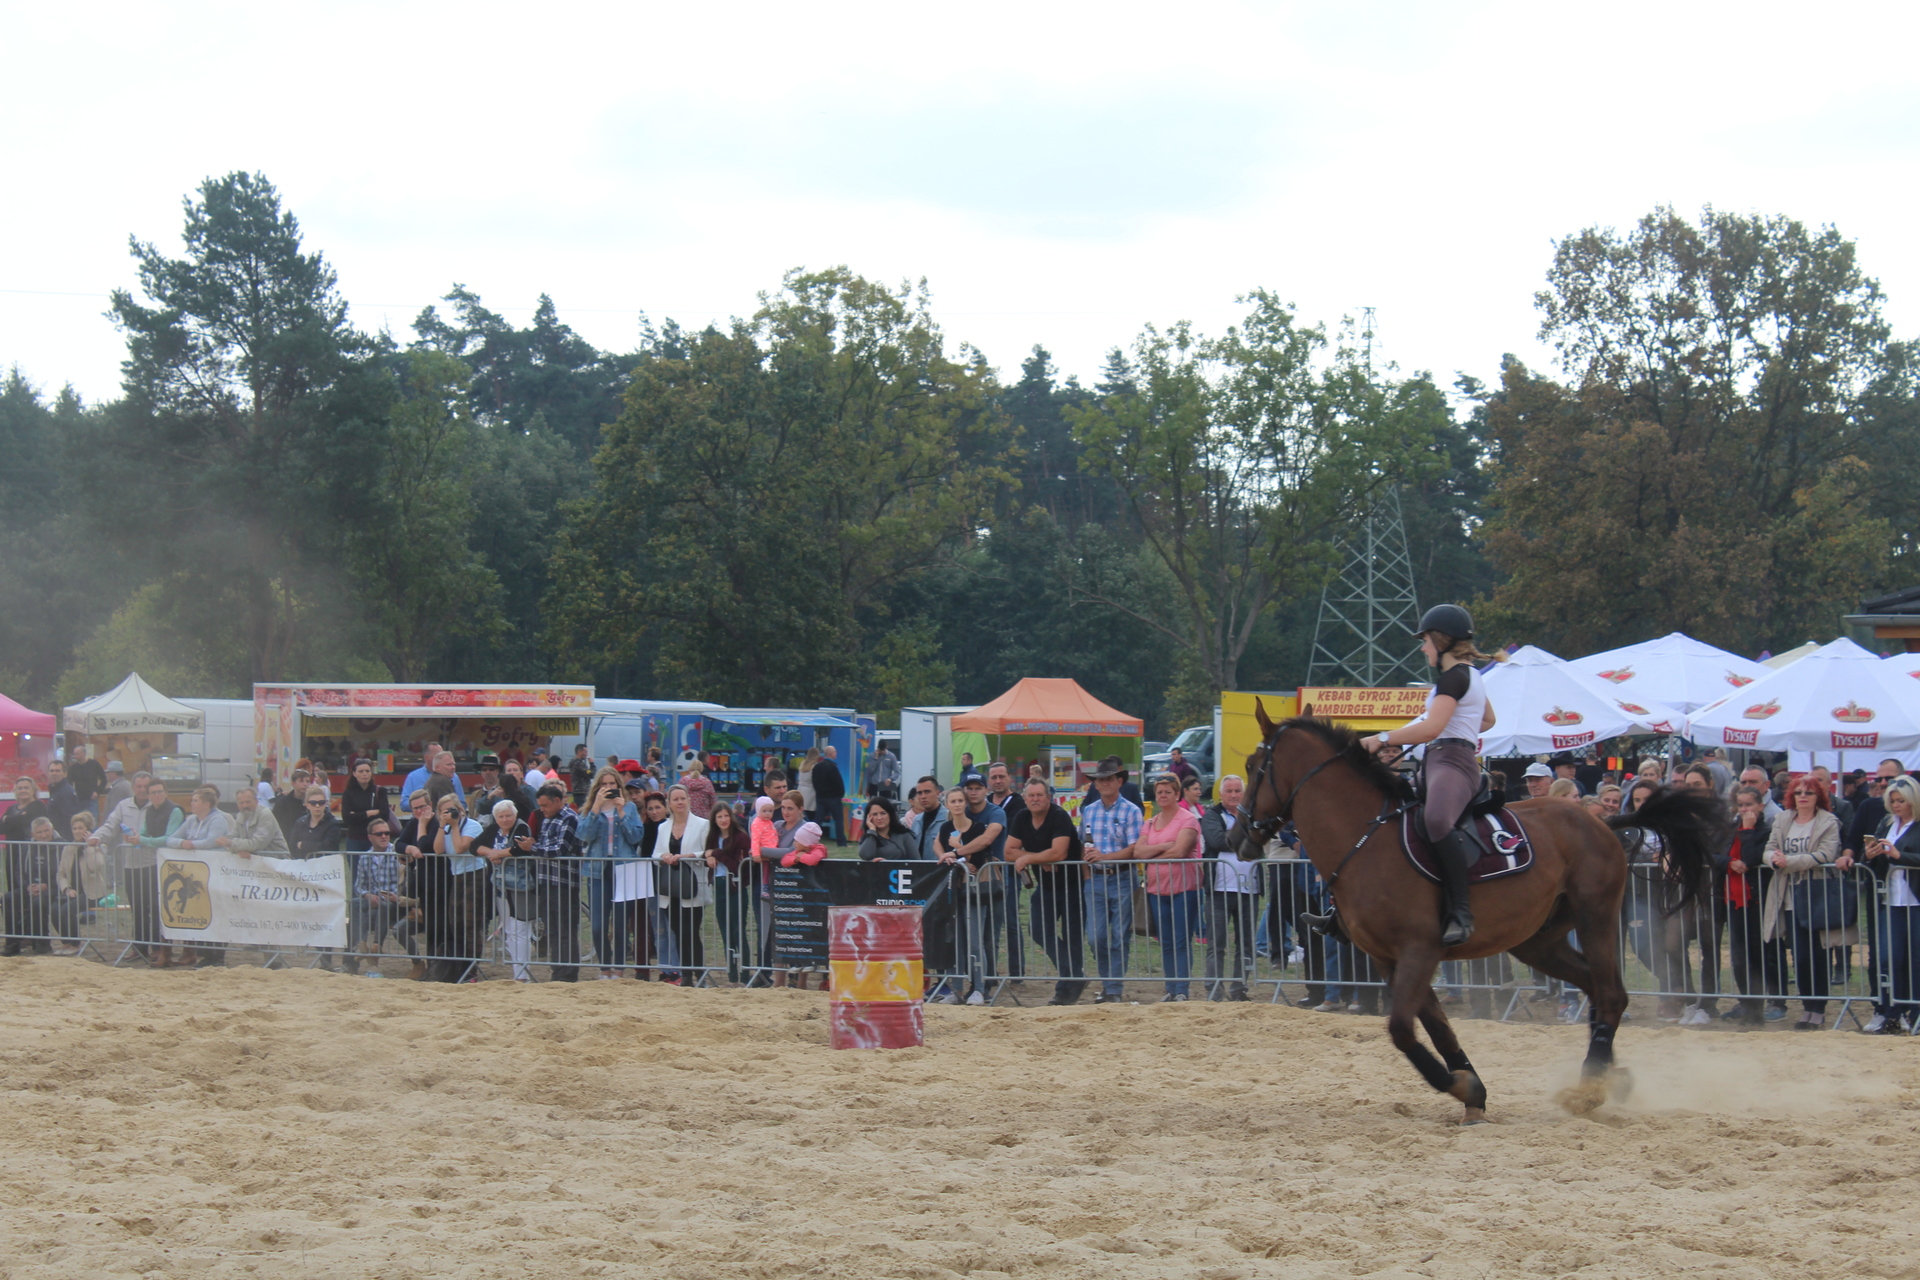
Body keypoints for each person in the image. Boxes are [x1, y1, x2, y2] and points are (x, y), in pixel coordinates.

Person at [1360, 604, 1501, 946]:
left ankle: (1461, 912)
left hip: (1452, 762)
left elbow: (1432, 728)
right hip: (1439, 760)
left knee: (1437, 820)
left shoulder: (1454, 678)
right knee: (1386, 815)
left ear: (1441, 640)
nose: (1423, 648)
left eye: (1425, 641)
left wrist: (1380, 738)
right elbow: (1487, 720)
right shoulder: (1472, 676)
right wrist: (1458, 725)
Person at [1761, 775, 1844, 1030]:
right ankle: (1807, 1006)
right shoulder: (1782, 819)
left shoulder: (1828, 821)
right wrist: (1773, 860)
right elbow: (1769, 848)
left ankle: (1818, 1009)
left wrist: (1790, 862)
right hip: (1787, 896)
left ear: (1819, 796)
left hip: (1815, 895)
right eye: (1798, 792)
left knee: (1818, 955)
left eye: (1809, 792)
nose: (1803, 797)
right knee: (1799, 956)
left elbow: (1825, 854)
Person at [1006, 777, 1085, 1006]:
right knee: (1038, 929)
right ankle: (1075, 976)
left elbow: (1059, 853)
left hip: (1072, 885)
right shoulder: (1022, 817)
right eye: (1031, 795)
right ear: (1025, 798)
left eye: (1040, 795)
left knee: (1072, 938)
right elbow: (1008, 851)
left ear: (1049, 798)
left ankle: (1065, 991)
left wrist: (1029, 858)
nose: (1035, 799)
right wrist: (1038, 858)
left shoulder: (1059, 816)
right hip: (1046, 886)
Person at [1079, 756, 1143, 1005]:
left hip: (1123, 878)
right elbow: (1082, 844)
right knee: (1095, 937)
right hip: (1094, 880)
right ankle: (1109, 984)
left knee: (1119, 936)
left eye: (1109, 779)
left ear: (1119, 781)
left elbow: (1134, 849)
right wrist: (1087, 875)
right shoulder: (1089, 811)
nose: (1104, 783)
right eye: (1100, 780)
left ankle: (1113, 988)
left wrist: (1105, 857)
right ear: (1095, 784)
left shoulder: (1132, 811)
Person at [1138, 774, 1202, 1002]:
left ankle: (1182, 989)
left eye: (1167, 792)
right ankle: (1170, 988)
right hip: (1157, 889)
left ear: (1177, 794)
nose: (1163, 796)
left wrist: (1153, 854)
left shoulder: (1188, 819)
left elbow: (1181, 850)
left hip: (1185, 887)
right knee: (1165, 941)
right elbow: (1139, 852)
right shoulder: (1150, 823)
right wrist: (1166, 845)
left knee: (1181, 940)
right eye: (1159, 792)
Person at [1864, 775, 1920, 1034]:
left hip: (1915, 901)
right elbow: (1872, 860)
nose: (1896, 805)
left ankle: (1915, 1012)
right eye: (1893, 801)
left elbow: (1905, 856)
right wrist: (1870, 855)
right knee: (1889, 959)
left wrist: (1899, 855)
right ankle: (1892, 1013)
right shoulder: (1886, 823)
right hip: (1890, 900)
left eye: (1901, 801)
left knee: (1916, 960)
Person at [1715, 786, 1775, 1025]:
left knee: (1757, 955)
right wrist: (1728, 862)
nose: (1744, 810)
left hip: (1756, 899)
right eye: (1740, 805)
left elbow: (1752, 858)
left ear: (1760, 806)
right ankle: (1747, 1003)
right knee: (1739, 957)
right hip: (1732, 899)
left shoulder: (1766, 831)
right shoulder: (1729, 829)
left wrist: (1748, 830)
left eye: (1749, 804)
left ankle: (1757, 1008)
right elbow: (1712, 854)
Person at [576, 766, 643, 980]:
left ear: (618, 785)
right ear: (597, 787)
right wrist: (596, 807)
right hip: (598, 870)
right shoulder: (590, 809)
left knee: (621, 923)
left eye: (612, 784)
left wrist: (621, 812)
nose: (608, 787)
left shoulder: (629, 807)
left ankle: (619, 970)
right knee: (598, 925)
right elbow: (583, 835)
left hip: (623, 868)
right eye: (604, 784)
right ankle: (605, 968)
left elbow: (635, 837)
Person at [935, 787, 993, 1005]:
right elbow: (943, 855)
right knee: (955, 941)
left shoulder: (977, 827)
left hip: (975, 891)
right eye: (953, 801)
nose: (957, 804)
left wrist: (958, 850)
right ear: (947, 805)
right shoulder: (945, 828)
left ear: (966, 803)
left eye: (960, 800)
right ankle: (956, 989)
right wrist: (952, 857)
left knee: (975, 941)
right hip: (953, 890)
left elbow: (977, 861)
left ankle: (979, 989)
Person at [1202, 775, 1257, 1002]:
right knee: (1217, 944)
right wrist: (1248, 837)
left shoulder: (1254, 815)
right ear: (1221, 794)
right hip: (1219, 890)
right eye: (1229, 791)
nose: (1234, 795)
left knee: (1246, 944)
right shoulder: (1211, 815)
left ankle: (1239, 989)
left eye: (1238, 791)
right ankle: (1214, 990)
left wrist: (1241, 837)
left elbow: (1259, 840)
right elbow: (1217, 841)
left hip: (1250, 890)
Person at [164, 786, 232, 968]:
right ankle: (207, 955)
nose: (191, 803)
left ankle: (218, 957)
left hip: (216, 872)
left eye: (195, 800)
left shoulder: (218, 820)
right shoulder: (192, 820)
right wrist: (182, 843)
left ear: (206, 804)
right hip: (199, 874)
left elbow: (212, 841)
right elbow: (170, 838)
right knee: (203, 912)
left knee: (217, 913)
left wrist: (192, 844)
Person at [653, 783, 712, 985]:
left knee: (691, 932)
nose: (680, 802)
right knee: (678, 932)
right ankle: (686, 976)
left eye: (683, 798)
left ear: (688, 800)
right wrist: (664, 856)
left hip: (692, 886)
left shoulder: (702, 824)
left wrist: (688, 855)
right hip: (670, 888)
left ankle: (699, 974)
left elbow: (707, 852)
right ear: (669, 803)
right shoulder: (663, 827)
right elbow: (655, 854)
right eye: (675, 799)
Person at [474, 798, 535, 982]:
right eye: (501, 816)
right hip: (501, 887)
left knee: (520, 929)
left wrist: (499, 853)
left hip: (520, 886)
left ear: (514, 815)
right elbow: (474, 846)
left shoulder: (521, 827)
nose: (505, 819)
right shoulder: (494, 829)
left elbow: (520, 849)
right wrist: (490, 852)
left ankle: (523, 974)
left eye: (508, 815)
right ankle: (517, 972)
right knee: (509, 930)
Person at [528, 783, 583, 983]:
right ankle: (557, 970)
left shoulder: (570, 818)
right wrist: (536, 847)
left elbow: (560, 850)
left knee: (564, 929)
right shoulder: (547, 819)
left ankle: (567, 974)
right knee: (551, 929)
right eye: (540, 805)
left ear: (557, 801)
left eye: (545, 805)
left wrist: (533, 847)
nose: (542, 809)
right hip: (546, 880)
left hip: (564, 883)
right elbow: (546, 847)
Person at [431, 792, 488, 983]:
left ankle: (472, 970)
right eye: (443, 811)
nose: (448, 814)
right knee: (456, 923)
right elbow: (438, 850)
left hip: (475, 875)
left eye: (451, 810)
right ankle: (460, 966)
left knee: (471, 925)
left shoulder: (472, 825)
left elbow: (459, 848)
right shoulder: (446, 828)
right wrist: (442, 825)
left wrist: (455, 826)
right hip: (457, 876)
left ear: (460, 809)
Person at [131, 782, 184, 967]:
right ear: (148, 796)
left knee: (167, 906)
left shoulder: (175, 811)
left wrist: (142, 840)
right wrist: (135, 838)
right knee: (155, 906)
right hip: (157, 863)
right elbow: (144, 832)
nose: (156, 795)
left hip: (173, 864)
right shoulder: (150, 811)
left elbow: (169, 838)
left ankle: (170, 951)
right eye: (153, 792)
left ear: (166, 792)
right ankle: (161, 950)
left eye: (160, 792)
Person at [345, 816, 406, 976]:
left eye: (387, 833)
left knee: (382, 906)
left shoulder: (397, 853)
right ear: (370, 837)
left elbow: (404, 882)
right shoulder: (365, 857)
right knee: (356, 903)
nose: (384, 836)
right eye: (379, 834)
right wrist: (367, 896)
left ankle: (376, 946)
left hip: (393, 901)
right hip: (373, 901)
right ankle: (361, 944)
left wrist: (394, 896)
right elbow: (359, 885)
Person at [706, 801, 752, 984]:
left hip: (736, 886)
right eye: (719, 817)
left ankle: (745, 973)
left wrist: (717, 854)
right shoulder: (713, 837)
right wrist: (709, 855)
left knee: (738, 930)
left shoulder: (741, 837)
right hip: (719, 884)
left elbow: (739, 866)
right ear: (714, 820)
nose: (723, 820)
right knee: (725, 931)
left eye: (726, 815)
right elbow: (708, 855)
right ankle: (732, 974)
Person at [3, 814, 60, 955]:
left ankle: (42, 944)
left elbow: (68, 873)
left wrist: (47, 886)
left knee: (38, 902)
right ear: (32, 834)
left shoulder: (62, 846)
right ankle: (13, 943)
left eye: (46, 831)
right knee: (7, 898)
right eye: (39, 832)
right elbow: (19, 871)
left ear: (52, 829)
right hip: (30, 887)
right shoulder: (27, 847)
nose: (44, 835)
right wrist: (27, 886)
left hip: (55, 888)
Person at [53, 813, 108, 955]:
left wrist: (89, 846)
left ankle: (75, 943)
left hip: (92, 893)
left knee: (67, 910)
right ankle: (66, 942)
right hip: (73, 892)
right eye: (75, 828)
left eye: (81, 828)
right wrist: (66, 888)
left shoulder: (98, 847)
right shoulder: (68, 848)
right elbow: (61, 874)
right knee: (54, 909)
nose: (77, 831)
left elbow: (94, 867)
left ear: (88, 830)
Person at [341, 758, 393, 852]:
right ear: (354, 773)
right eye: (361, 771)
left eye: (367, 771)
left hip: (376, 839)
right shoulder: (348, 793)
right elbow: (347, 819)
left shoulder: (380, 791)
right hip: (355, 840)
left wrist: (356, 815)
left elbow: (384, 816)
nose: (364, 774)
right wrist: (369, 813)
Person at [811, 746, 847, 845]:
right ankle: (841, 842)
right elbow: (838, 783)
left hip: (820, 798)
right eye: (835, 752)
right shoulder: (832, 767)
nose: (836, 753)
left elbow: (814, 782)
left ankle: (810, 839)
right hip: (833, 798)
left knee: (818, 821)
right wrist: (840, 795)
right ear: (831, 753)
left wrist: (819, 793)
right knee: (838, 820)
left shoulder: (817, 766)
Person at [905, 776, 945, 860]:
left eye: (927, 792)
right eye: (919, 793)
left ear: (937, 793)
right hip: (919, 867)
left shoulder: (949, 818)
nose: (923, 796)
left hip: (941, 867)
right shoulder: (916, 820)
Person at [66, 746, 106, 819]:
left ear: (84, 753)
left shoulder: (94, 764)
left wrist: (98, 792)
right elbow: (69, 783)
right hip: (79, 800)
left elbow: (104, 779)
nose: (75, 756)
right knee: (80, 820)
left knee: (93, 820)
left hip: (92, 798)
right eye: (74, 754)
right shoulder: (73, 768)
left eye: (77, 754)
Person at [271, 769, 311, 838]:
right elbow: (274, 824)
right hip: (287, 839)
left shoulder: (312, 803)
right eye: (301, 781)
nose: (305, 784)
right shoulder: (282, 803)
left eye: (307, 781)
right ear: (293, 783)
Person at [45, 760, 80, 835]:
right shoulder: (55, 790)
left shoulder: (66, 792)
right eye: (51, 771)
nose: (54, 773)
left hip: (61, 837)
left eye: (57, 771)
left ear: (65, 774)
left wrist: (62, 839)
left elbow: (69, 819)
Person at [567, 743, 595, 808]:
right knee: (583, 810)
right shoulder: (579, 763)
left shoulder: (573, 762)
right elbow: (590, 774)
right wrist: (592, 764)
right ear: (579, 752)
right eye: (585, 752)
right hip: (582, 792)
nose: (586, 754)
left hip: (577, 792)